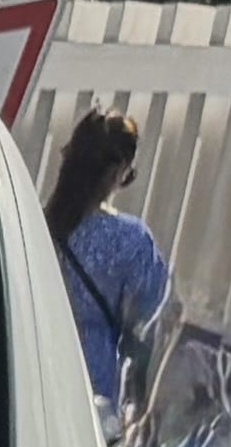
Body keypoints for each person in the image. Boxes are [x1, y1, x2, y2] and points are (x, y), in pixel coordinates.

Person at [48, 107, 170, 429]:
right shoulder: (131, 240)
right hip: (94, 401)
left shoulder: (34, 223)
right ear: (117, 171)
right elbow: (153, 332)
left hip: (36, 383)